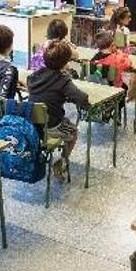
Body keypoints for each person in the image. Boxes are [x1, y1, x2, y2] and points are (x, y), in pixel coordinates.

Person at [27, 41, 90, 182]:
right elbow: (81, 98)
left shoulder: (34, 76)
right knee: (73, 132)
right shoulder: (63, 80)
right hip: (51, 126)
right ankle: (62, 161)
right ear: (66, 62)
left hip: (31, 124)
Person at [91, 29, 136, 101]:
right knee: (127, 85)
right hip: (114, 89)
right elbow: (128, 64)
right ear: (112, 44)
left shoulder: (94, 59)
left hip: (98, 89)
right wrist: (120, 53)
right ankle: (121, 105)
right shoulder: (116, 59)